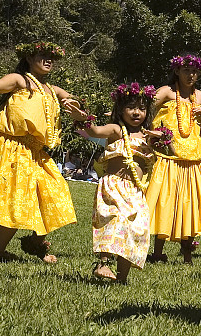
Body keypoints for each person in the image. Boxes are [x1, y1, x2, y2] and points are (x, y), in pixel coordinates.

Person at [0, 42, 77, 263]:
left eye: (52, 57)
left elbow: (74, 102)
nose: (48, 60)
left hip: (36, 152)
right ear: (29, 58)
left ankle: (35, 242)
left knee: (55, 192)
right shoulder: (20, 80)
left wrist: (78, 109)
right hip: (13, 148)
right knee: (18, 199)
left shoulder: (53, 90)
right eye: (42, 55)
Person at [66, 83, 163, 283]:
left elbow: (170, 152)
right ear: (120, 109)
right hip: (114, 186)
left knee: (134, 229)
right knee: (114, 222)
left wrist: (163, 139)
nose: (136, 112)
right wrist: (83, 119)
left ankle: (121, 278)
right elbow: (95, 131)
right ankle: (103, 264)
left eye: (142, 108)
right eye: (131, 107)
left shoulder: (148, 135)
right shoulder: (116, 130)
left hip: (135, 191)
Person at [145, 54, 201, 264]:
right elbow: (145, 108)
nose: (191, 75)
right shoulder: (166, 92)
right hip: (169, 157)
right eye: (187, 71)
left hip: (193, 160)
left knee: (190, 205)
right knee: (165, 202)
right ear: (177, 71)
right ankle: (157, 253)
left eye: (195, 72)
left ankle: (187, 255)